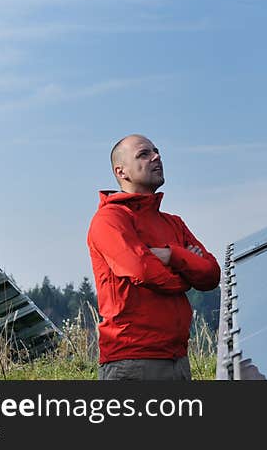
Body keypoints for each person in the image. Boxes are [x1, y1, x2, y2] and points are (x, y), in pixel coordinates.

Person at [87, 134, 221, 380]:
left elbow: (211, 274)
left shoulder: (173, 223)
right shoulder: (110, 220)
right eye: (144, 154)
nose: (156, 157)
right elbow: (143, 270)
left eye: (156, 151)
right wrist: (185, 277)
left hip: (177, 360)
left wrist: (172, 255)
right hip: (132, 362)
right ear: (121, 172)